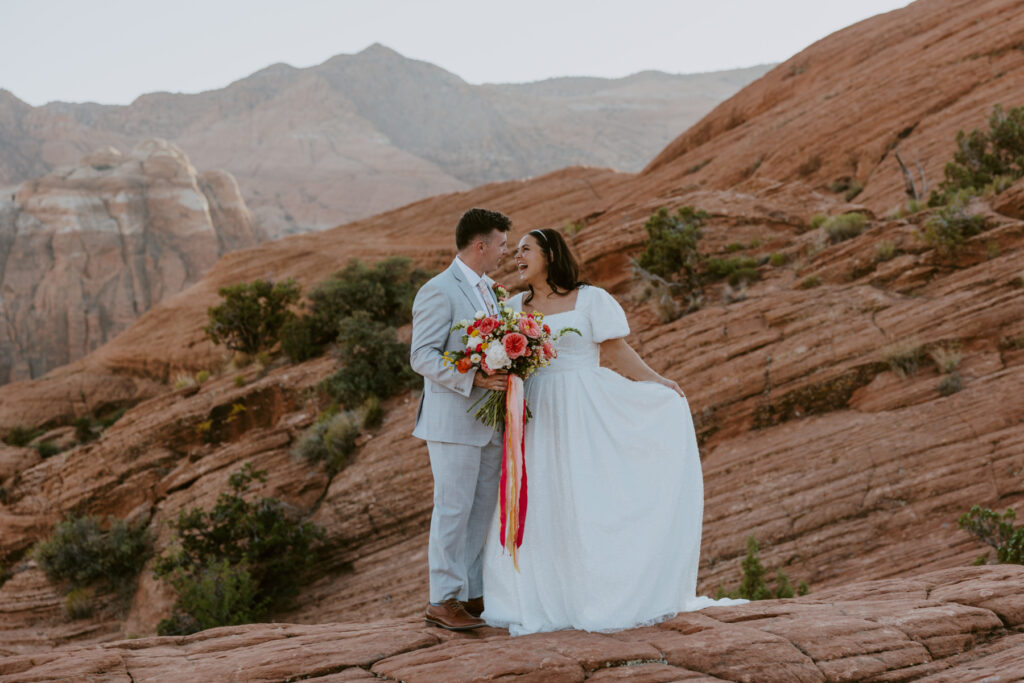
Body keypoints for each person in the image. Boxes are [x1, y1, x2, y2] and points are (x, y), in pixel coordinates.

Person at [481, 227, 746, 636]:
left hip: (584, 405)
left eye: (526, 250)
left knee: (587, 495)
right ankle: (535, 596)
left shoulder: (591, 298)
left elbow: (616, 349)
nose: (518, 257)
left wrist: (658, 381)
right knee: (543, 496)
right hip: (536, 410)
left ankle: (599, 593)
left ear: (550, 255)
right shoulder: (513, 306)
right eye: (515, 251)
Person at [410, 207, 512, 630]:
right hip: (453, 421)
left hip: (489, 424)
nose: (506, 252)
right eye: (503, 244)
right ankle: (442, 599)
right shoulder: (439, 290)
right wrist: (475, 379)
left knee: (480, 511)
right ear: (481, 245)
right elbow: (422, 356)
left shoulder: (492, 290)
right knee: (452, 509)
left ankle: (471, 593)